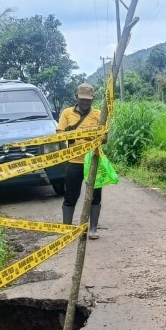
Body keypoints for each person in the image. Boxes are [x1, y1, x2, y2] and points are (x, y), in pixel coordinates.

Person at [58, 82, 104, 239]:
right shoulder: (67, 113)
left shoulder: (99, 114)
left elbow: (104, 138)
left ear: (93, 99)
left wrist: (92, 137)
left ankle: (92, 229)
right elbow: (59, 135)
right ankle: (67, 230)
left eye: (88, 99)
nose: (85, 102)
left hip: (93, 161)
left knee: (95, 196)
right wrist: (72, 135)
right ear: (76, 97)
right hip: (74, 162)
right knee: (71, 195)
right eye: (82, 99)